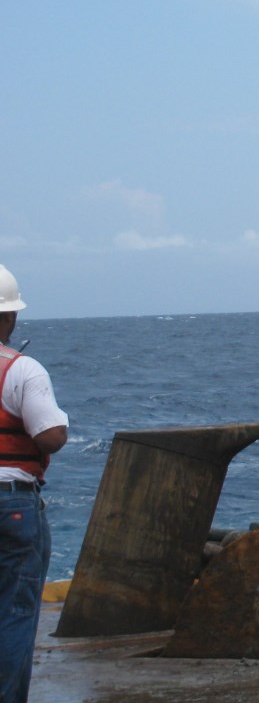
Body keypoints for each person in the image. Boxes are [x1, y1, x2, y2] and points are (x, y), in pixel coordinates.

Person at [0, 265, 68, 703]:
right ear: (9, 317)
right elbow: (50, 437)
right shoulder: (23, 370)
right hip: (12, 504)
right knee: (14, 613)